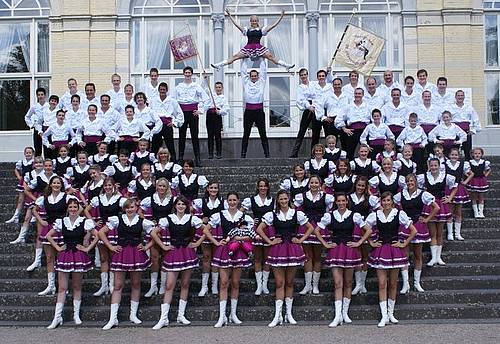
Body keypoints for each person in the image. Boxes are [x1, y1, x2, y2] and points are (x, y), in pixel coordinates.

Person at [256, 190, 315, 327]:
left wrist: (301, 240)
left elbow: (311, 228)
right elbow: (259, 229)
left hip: (292, 249)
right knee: (279, 283)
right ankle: (278, 315)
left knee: (289, 282)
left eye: (285, 199)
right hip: (278, 249)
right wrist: (270, 242)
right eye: (281, 199)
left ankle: (289, 314)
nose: (283, 201)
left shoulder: (296, 214)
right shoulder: (272, 214)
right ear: (278, 200)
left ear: (288, 199)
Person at [314, 192, 372, 327]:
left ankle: (345, 312)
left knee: (348, 282)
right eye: (338, 201)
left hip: (349, 250)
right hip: (335, 251)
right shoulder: (330, 215)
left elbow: (368, 230)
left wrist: (359, 243)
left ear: (347, 202)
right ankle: (337, 315)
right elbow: (317, 230)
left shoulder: (354, 215)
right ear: (336, 202)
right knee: (337, 283)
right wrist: (325, 244)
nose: (340, 203)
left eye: (343, 201)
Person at [100, 199, 155, 330]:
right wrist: (111, 246)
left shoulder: (143, 221)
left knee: (136, 284)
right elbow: (101, 232)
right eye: (127, 207)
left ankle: (133, 315)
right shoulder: (117, 219)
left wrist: (146, 246)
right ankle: (113, 318)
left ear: (136, 208)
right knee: (118, 285)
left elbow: (155, 235)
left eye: (132, 207)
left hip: (136, 254)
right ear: (124, 209)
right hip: (122, 253)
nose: (130, 209)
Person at [151, 196, 205, 329]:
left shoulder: (192, 218)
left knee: (185, 284)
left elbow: (206, 230)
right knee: (169, 285)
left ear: (187, 206)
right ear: (175, 206)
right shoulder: (168, 219)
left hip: (187, 253)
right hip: (174, 253)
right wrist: (163, 246)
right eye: (178, 204)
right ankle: (163, 318)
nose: (181, 206)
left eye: (183, 204)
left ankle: (181, 315)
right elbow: (153, 233)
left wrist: (197, 242)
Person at [203, 192, 256, 327]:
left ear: (238, 201)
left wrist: (239, 239)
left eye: (234, 200)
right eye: (230, 200)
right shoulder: (219, 215)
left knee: (236, 282)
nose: (232, 202)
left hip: (239, 250)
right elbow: (205, 230)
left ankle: (233, 314)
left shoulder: (245, 217)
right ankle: (222, 316)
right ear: (227, 201)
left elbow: (251, 236)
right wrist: (215, 242)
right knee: (224, 282)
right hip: (225, 249)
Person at [366, 191, 416, 327]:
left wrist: (404, 243)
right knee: (382, 283)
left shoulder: (399, 214)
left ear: (392, 202)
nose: (386, 203)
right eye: (384, 201)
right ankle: (384, 316)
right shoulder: (376, 215)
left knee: (393, 283)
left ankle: (391, 313)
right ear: (381, 202)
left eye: (388, 200)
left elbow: (414, 230)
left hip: (394, 250)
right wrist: (370, 241)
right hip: (381, 249)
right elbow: (364, 228)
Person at [46, 199, 98, 329]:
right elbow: (48, 236)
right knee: (62, 287)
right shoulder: (62, 222)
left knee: (76, 286)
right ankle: (57, 317)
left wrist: (87, 249)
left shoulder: (85, 222)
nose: (73, 209)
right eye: (71, 207)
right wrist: (58, 248)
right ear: (67, 208)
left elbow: (97, 235)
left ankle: (76, 315)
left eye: (75, 207)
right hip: (65, 255)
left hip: (78, 255)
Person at [394, 174, 439, 293]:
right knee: (405, 255)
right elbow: (392, 205)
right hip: (405, 226)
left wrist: (427, 219)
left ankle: (416, 282)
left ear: (416, 182)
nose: (410, 183)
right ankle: (406, 284)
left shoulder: (423, 194)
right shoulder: (400, 195)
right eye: (408, 181)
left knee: (418, 255)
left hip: (418, 226)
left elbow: (436, 207)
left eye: (412, 181)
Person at [32, 175, 74, 295]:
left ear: (61, 185)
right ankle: (51, 285)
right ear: (50, 184)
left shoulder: (67, 197)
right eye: (54, 183)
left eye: (58, 183)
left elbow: (79, 208)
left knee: (63, 257)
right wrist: (41, 220)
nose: (56, 185)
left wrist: (69, 219)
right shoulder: (44, 198)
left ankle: (63, 285)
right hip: (49, 228)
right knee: (50, 258)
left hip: (62, 229)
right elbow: (34, 210)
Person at [211, 10, 294, 71]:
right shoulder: (247, 30)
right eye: (253, 21)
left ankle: (286, 65)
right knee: (235, 57)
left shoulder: (262, 29)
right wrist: (230, 16)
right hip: (248, 47)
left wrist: (281, 16)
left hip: (259, 47)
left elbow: (273, 26)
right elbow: (237, 25)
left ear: (258, 21)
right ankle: (219, 65)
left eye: (255, 20)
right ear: (250, 22)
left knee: (271, 57)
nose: (254, 22)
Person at [294, 175, 334, 295]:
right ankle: (307, 285)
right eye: (312, 182)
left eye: (316, 182)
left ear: (320, 184)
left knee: (317, 256)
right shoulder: (302, 196)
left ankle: (315, 285)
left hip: (320, 227)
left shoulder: (326, 197)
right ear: (309, 184)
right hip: (306, 226)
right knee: (307, 256)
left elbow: (329, 210)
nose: (314, 184)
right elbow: (295, 209)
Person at [139, 178, 176, 297]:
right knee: (154, 258)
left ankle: (163, 286)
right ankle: (153, 286)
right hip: (155, 230)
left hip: (167, 230)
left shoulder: (172, 199)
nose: (161, 188)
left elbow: (183, 210)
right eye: (160, 186)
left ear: (167, 188)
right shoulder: (150, 199)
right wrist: (148, 221)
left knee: (165, 257)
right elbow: (140, 211)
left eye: (164, 186)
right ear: (156, 187)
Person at [420, 158, 457, 267]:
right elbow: (420, 189)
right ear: (429, 166)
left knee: (440, 233)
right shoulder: (424, 177)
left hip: (441, 205)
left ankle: (439, 257)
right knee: (433, 233)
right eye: (432, 165)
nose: (434, 167)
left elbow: (455, 187)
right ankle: (433, 258)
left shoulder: (445, 176)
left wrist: (450, 198)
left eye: (435, 165)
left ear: (439, 165)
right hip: (430, 206)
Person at [192, 181, 226, 297]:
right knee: (206, 257)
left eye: (215, 188)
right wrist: (200, 218)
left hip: (218, 231)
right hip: (206, 231)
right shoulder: (201, 201)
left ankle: (214, 286)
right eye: (211, 188)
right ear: (207, 189)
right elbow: (190, 210)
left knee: (216, 258)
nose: (213, 190)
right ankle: (204, 286)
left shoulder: (223, 202)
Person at [241, 178, 274, 295]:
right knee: (258, 258)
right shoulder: (252, 200)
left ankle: (264, 284)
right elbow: (240, 213)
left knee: (267, 257)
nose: (263, 188)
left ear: (268, 187)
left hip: (269, 230)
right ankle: (259, 285)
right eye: (261, 186)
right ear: (257, 187)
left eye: (265, 186)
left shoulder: (273, 201)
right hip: (256, 230)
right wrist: (247, 222)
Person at [171, 66, 210, 165]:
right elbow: (173, 101)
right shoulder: (178, 87)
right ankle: (180, 157)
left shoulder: (196, 86)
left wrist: (200, 110)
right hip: (182, 112)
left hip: (193, 112)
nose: (187, 74)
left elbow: (206, 99)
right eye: (186, 73)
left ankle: (197, 158)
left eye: (189, 73)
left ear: (191, 74)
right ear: (183, 74)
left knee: (194, 135)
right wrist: (176, 114)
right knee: (182, 135)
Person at [240, 58, 269, 158]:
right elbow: (243, 71)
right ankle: (243, 154)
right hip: (248, 111)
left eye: (255, 76)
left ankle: (267, 154)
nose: (253, 77)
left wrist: (261, 58)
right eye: (252, 76)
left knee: (263, 133)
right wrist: (245, 59)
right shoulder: (246, 83)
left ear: (258, 76)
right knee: (246, 133)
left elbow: (264, 70)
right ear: (249, 77)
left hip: (259, 111)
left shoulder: (262, 82)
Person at [150, 82, 184, 160]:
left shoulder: (172, 101)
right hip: (157, 125)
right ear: (158, 90)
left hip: (167, 125)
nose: (162, 91)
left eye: (164, 90)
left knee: (170, 145)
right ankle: (153, 164)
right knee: (155, 146)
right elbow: (150, 113)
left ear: (167, 90)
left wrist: (174, 123)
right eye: (161, 89)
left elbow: (179, 113)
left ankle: (174, 163)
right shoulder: (153, 100)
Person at [335, 87, 370, 160]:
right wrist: (344, 128)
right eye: (356, 93)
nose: (357, 95)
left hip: (364, 131)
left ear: (363, 95)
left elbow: (374, 118)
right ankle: (349, 169)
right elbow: (338, 119)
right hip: (352, 131)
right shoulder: (348, 107)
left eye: (359, 94)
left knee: (367, 151)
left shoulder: (368, 107)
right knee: (349, 152)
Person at [445, 148, 473, 240]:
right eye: (452, 155)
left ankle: (457, 233)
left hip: (459, 189)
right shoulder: (444, 165)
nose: (454, 156)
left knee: (458, 212)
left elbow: (471, 174)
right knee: (450, 211)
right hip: (449, 188)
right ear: (449, 155)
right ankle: (450, 233)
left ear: (458, 156)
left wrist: (465, 182)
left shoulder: (462, 164)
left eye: (456, 155)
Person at [289, 68, 316, 157]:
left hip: (316, 108)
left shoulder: (313, 84)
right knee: (302, 131)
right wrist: (308, 106)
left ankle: (314, 154)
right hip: (307, 109)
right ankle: (294, 153)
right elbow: (300, 100)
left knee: (315, 132)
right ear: (300, 77)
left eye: (305, 74)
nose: (304, 76)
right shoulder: (300, 87)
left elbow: (318, 95)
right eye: (302, 75)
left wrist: (314, 105)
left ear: (307, 75)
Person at [6, 146, 34, 225]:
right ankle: (16, 216)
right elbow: (16, 169)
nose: (28, 154)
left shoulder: (34, 162)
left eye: (30, 153)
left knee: (30, 199)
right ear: (24, 153)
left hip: (31, 182)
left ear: (33, 154)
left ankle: (32, 216)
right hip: (23, 181)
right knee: (20, 200)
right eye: (27, 153)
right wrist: (19, 177)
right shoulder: (22, 162)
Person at [449, 90, 481, 159]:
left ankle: (467, 168)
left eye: (461, 95)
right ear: (455, 97)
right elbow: (445, 119)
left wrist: (473, 131)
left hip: (466, 132)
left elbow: (476, 120)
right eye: (458, 95)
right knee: (454, 151)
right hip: (454, 133)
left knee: (468, 152)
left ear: (464, 97)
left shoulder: (469, 108)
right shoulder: (450, 108)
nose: (460, 97)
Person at [206, 81, 230, 159]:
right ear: (214, 88)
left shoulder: (223, 98)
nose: (218, 89)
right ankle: (210, 153)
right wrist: (205, 79)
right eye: (216, 87)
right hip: (209, 116)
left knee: (217, 135)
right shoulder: (211, 95)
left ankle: (219, 153)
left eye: (219, 87)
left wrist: (220, 111)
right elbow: (204, 89)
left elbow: (227, 109)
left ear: (222, 88)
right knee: (210, 135)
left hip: (217, 116)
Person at [466, 147, 491, 218]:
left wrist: (485, 175)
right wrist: (469, 176)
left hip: (481, 180)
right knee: (473, 196)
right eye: (475, 153)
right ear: (472, 154)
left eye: (479, 153)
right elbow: (466, 171)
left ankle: (481, 212)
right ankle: (475, 212)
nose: (477, 155)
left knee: (481, 196)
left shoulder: (484, 162)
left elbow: (488, 169)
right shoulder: (470, 163)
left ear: (481, 154)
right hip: (473, 180)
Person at [25, 87, 48, 156]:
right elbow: (27, 117)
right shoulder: (34, 107)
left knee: (47, 148)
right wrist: (32, 125)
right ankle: (38, 164)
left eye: (42, 94)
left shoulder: (48, 105)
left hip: (47, 128)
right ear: (37, 96)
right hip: (37, 129)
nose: (40, 96)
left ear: (45, 95)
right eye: (39, 95)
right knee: (38, 148)